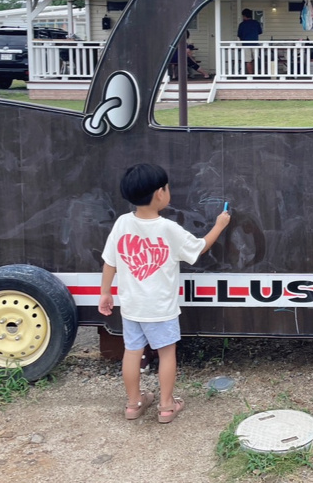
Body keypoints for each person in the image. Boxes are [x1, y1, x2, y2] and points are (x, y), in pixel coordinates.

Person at [99, 163, 231, 423]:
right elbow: (200, 248)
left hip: (132, 307)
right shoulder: (168, 229)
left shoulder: (122, 223)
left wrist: (105, 292)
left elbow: (110, 261)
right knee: (167, 353)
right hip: (161, 308)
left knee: (132, 352)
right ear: (160, 194)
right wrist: (220, 224)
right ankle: (167, 406)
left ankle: (133, 404)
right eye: (167, 187)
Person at [237, 8, 262, 74]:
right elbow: (260, 32)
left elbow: (239, 35)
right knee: (256, 59)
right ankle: (256, 74)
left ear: (244, 16)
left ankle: (251, 75)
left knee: (248, 60)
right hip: (255, 44)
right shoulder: (256, 23)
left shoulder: (242, 24)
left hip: (246, 44)